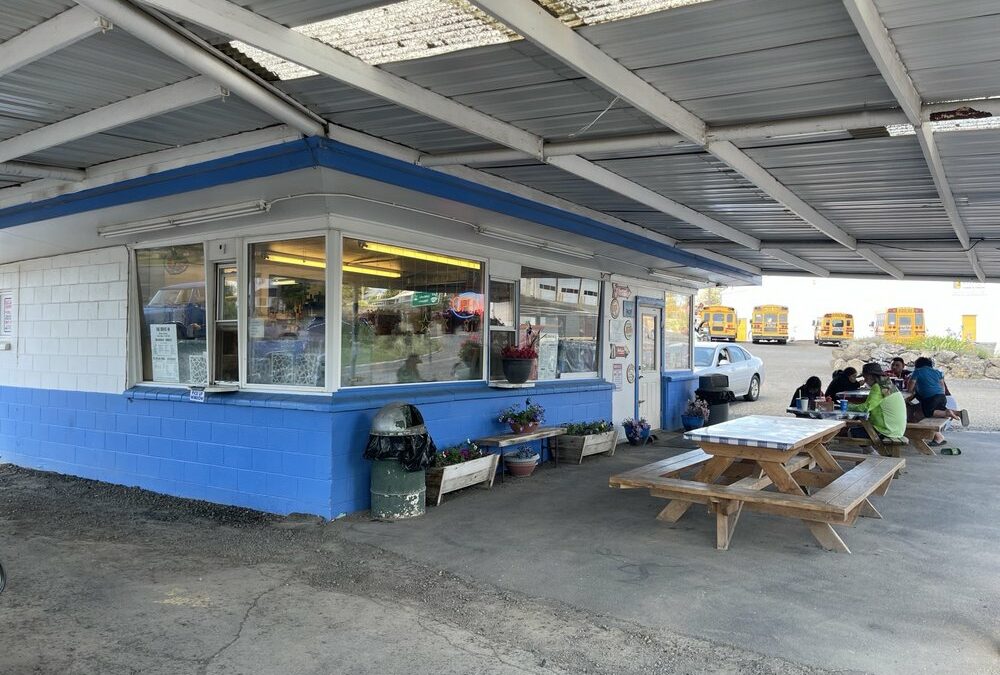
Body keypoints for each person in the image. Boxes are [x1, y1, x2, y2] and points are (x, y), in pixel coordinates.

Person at [848, 362, 907, 444]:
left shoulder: (878, 387)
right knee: (860, 427)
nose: (865, 381)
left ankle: (872, 454)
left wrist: (848, 406)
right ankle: (872, 453)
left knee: (852, 431)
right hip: (896, 429)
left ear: (871, 376)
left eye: (865, 377)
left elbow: (866, 408)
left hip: (886, 430)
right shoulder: (889, 385)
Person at [908, 357, 968, 427]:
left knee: (928, 412)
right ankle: (958, 413)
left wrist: (912, 389)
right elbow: (942, 387)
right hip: (942, 396)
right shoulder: (938, 372)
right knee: (938, 410)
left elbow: (910, 387)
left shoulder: (917, 372)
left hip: (931, 398)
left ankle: (947, 413)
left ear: (917, 366)